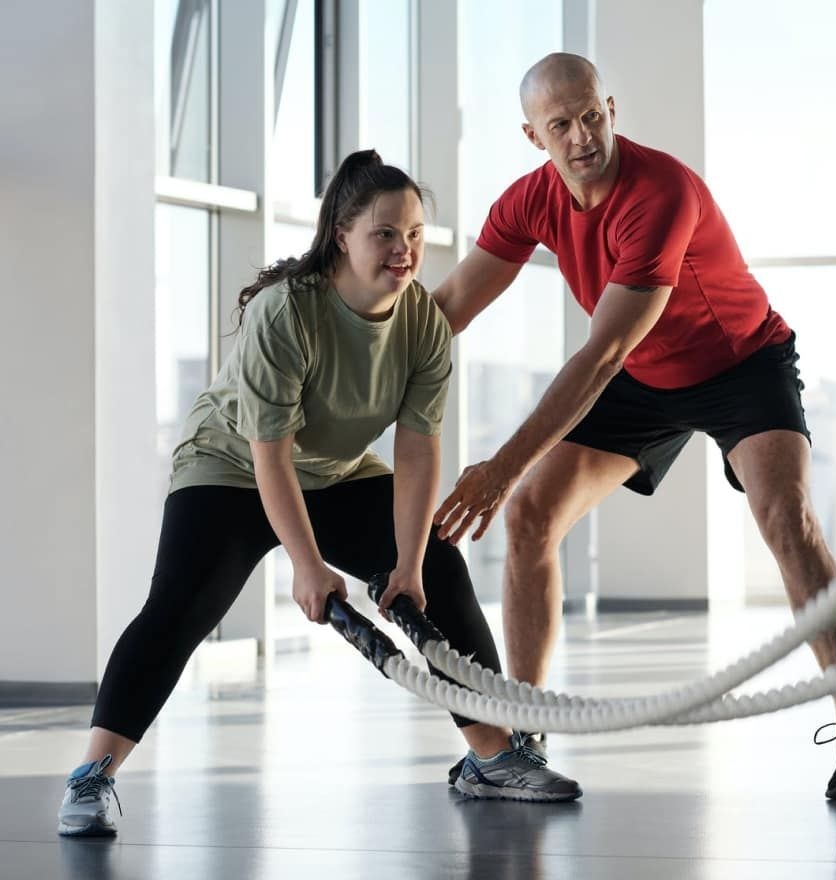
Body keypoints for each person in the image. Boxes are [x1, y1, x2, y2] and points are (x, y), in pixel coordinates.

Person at [56, 150, 581, 838]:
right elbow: (269, 454)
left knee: (443, 570)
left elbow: (418, 448)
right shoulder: (286, 312)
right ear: (343, 234)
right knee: (180, 608)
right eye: (386, 234)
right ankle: (92, 777)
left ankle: (492, 758)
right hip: (232, 466)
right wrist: (307, 565)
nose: (405, 250)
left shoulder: (422, 322)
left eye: (416, 234)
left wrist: (410, 562)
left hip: (333, 470)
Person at [432, 54, 836, 800]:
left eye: (591, 114)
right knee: (531, 516)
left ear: (609, 107)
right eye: (561, 125)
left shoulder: (661, 192)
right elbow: (447, 308)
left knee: (787, 519)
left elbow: (602, 352)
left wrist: (500, 463)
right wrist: (349, 363)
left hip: (740, 362)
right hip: (644, 376)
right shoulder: (528, 201)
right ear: (532, 136)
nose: (582, 135)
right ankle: (520, 741)